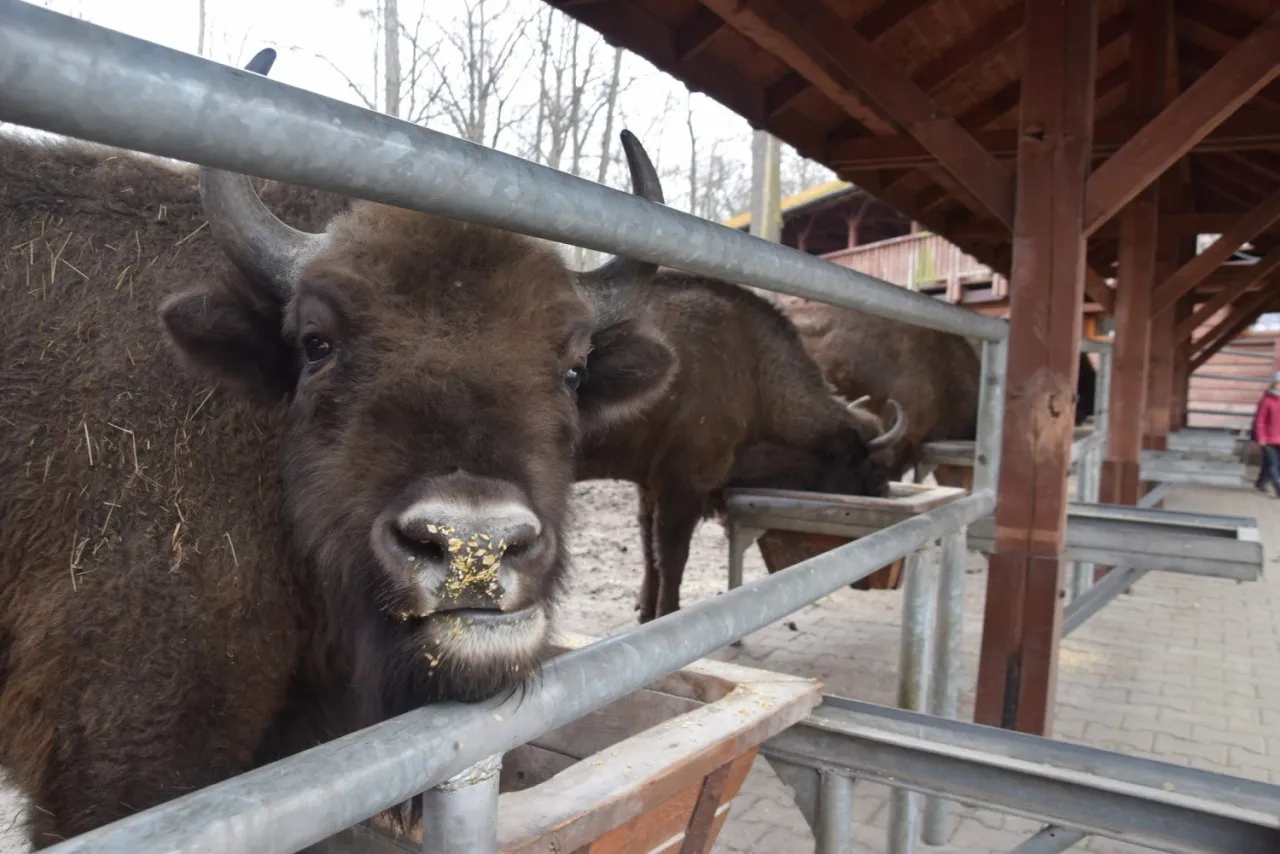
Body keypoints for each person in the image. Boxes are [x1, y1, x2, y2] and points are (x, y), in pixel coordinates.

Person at [1252, 372, 1280, 496]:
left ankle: (1260, 483)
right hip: (1268, 439)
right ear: (1274, 384)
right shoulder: (1267, 400)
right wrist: (1261, 437)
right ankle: (1278, 486)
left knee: (1268, 464)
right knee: (1273, 463)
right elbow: (1260, 420)